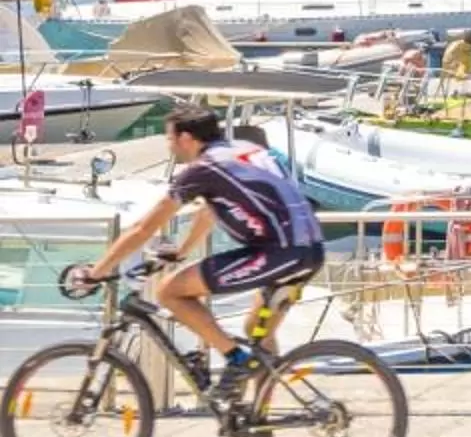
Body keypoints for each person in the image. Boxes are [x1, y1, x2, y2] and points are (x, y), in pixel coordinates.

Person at [80, 106, 325, 398]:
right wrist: (181, 252)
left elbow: (142, 230)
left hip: (280, 252)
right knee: (258, 332)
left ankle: (235, 359)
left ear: (186, 137)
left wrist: (96, 273)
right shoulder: (242, 151)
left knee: (170, 292)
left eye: (169, 138)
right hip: (308, 248)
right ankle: (257, 423)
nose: (169, 146)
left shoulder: (203, 169)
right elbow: (209, 213)